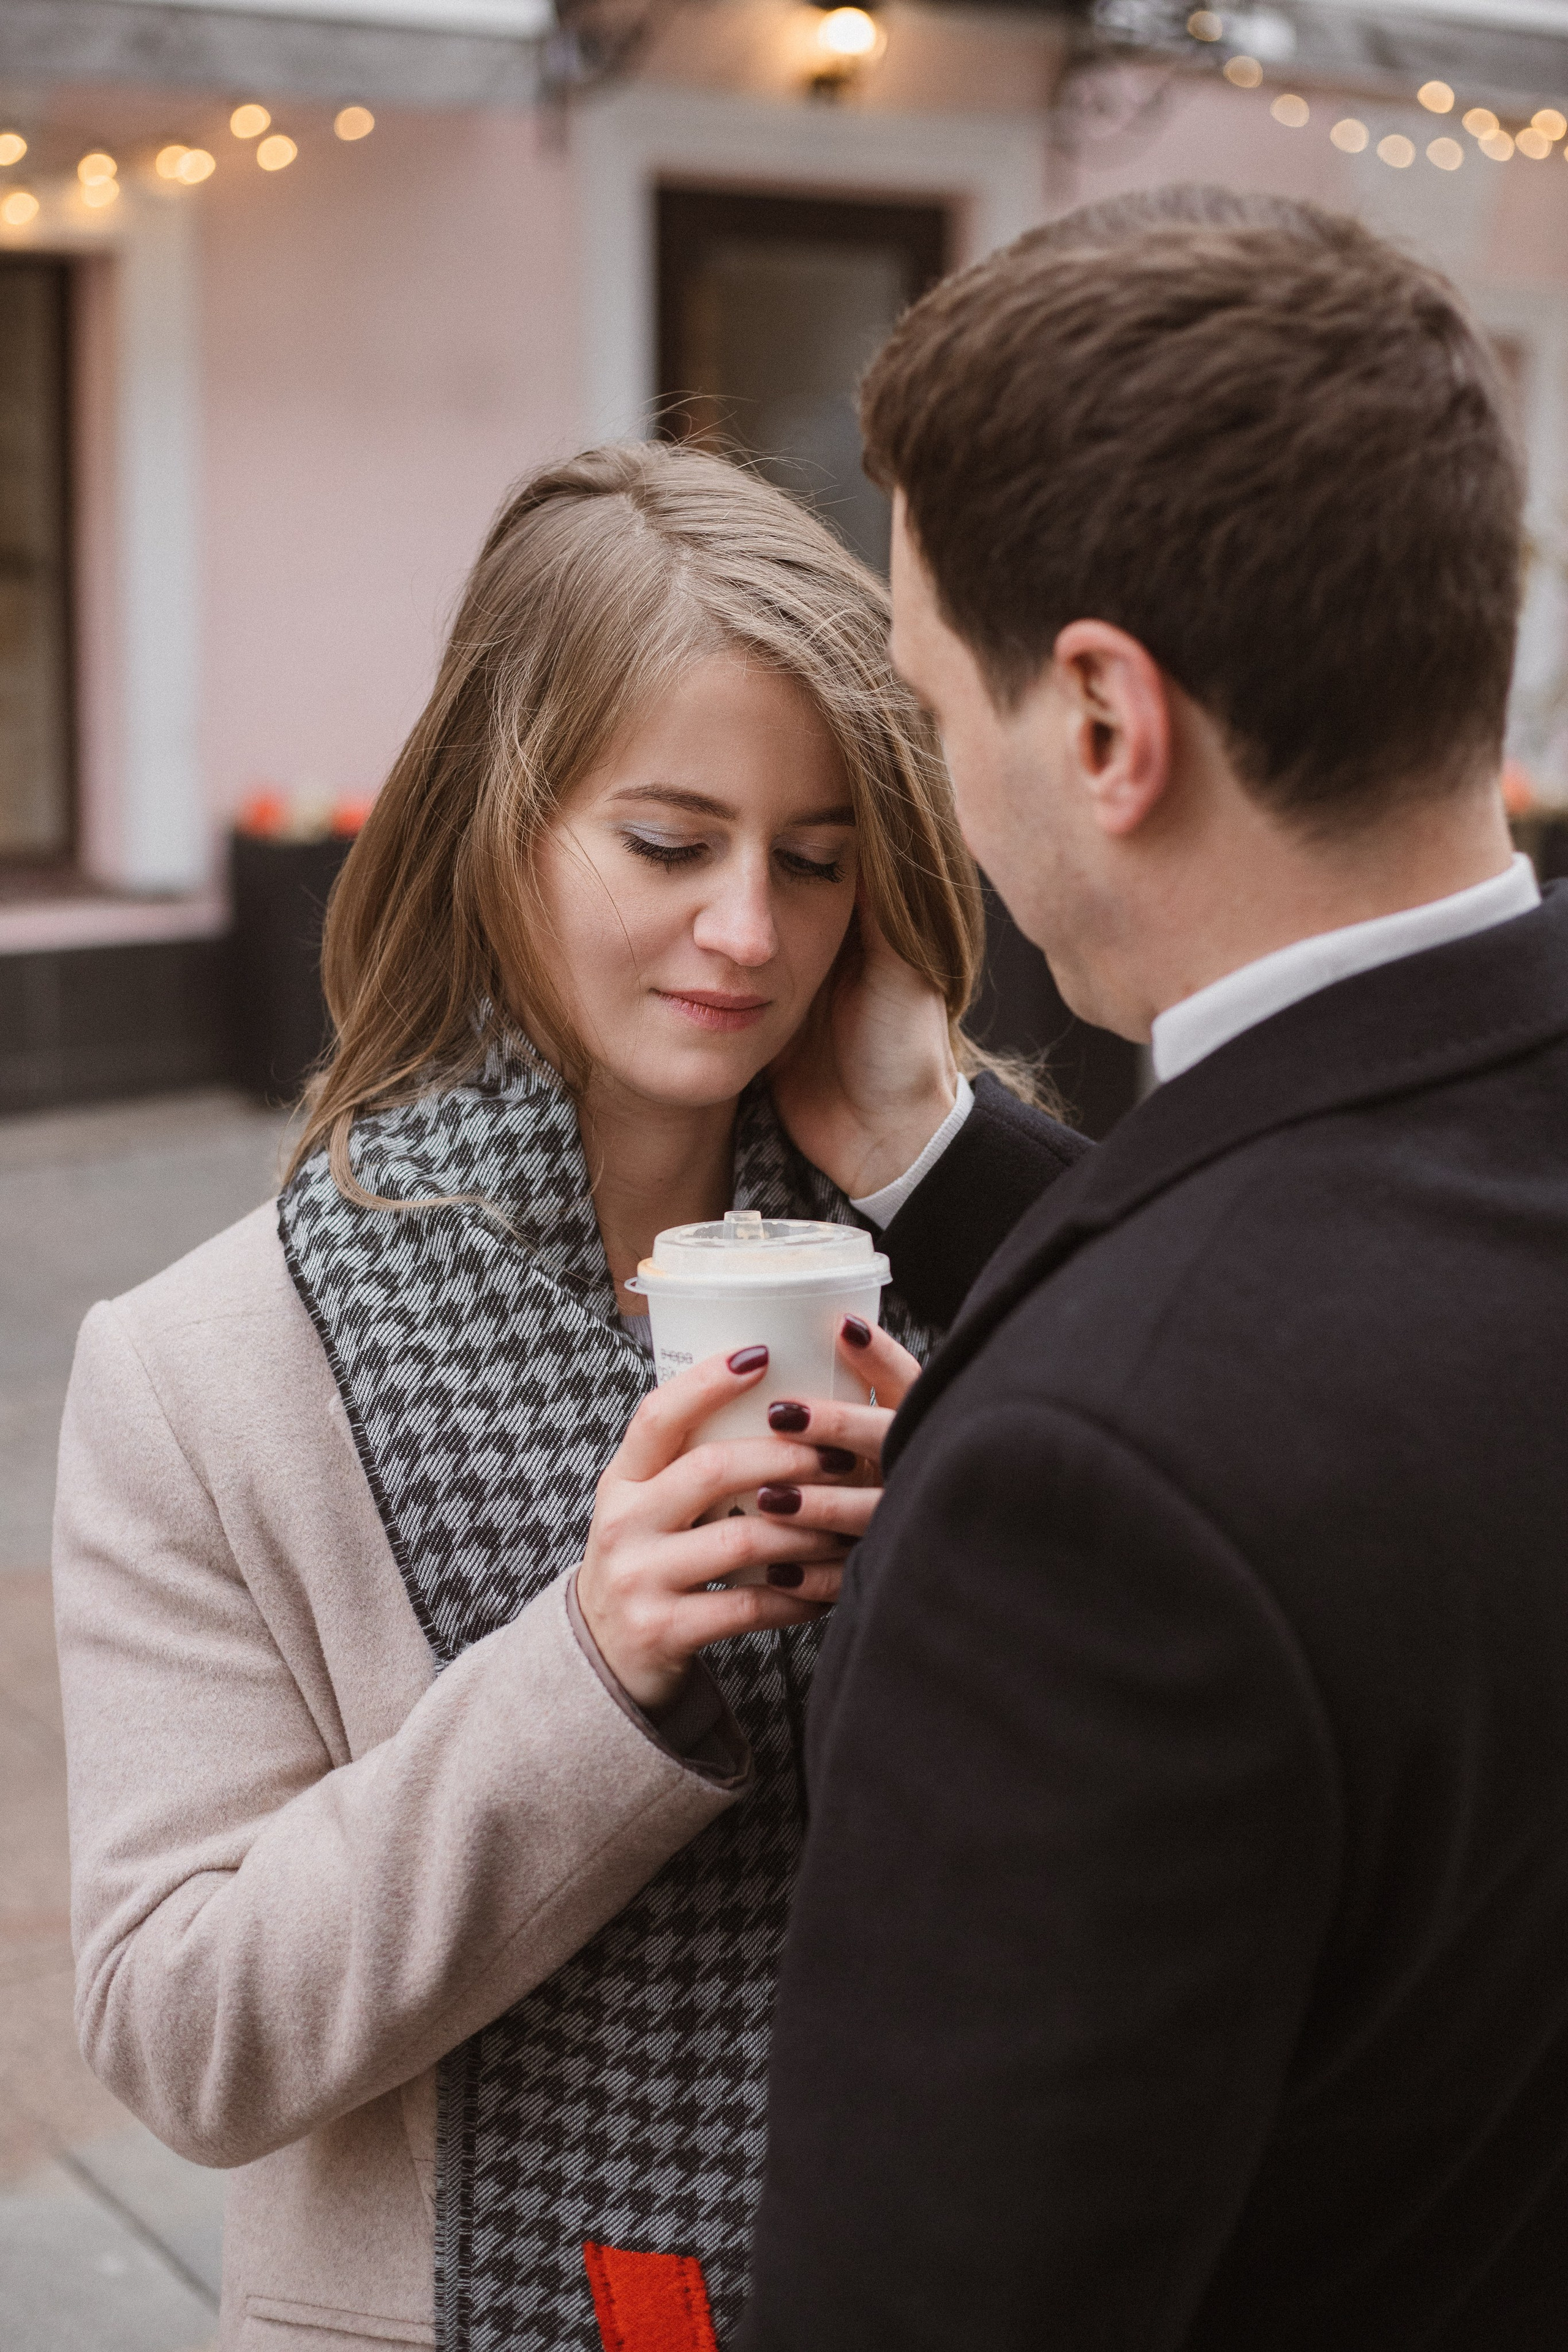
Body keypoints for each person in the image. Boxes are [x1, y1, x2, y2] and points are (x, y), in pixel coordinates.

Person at [51, 445, 1085, 2352]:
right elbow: (187, 2037)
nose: (752, 936)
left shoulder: (970, 1277)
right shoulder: (208, 1371)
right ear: (499, 823)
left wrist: (935, 1164)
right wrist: (588, 1672)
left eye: (815, 858)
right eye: (673, 844)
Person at [742, 187, 1568, 2351]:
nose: (946, 791)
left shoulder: (1091, 1499)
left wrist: (1034, 1467)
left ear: (1106, 721)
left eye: (934, 711)